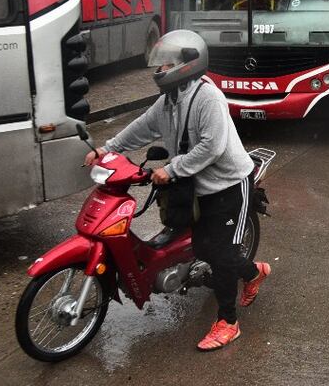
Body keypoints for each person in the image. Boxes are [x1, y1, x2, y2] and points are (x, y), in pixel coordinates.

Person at [83, 29, 270, 351]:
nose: (160, 69)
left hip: (228, 185)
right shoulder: (169, 100)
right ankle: (254, 272)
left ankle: (228, 322)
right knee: (203, 248)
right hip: (196, 188)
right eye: (160, 64)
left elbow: (212, 146)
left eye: (167, 64)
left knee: (222, 255)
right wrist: (107, 148)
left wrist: (171, 169)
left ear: (188, 64)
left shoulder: (208, 97)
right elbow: (142, 127)